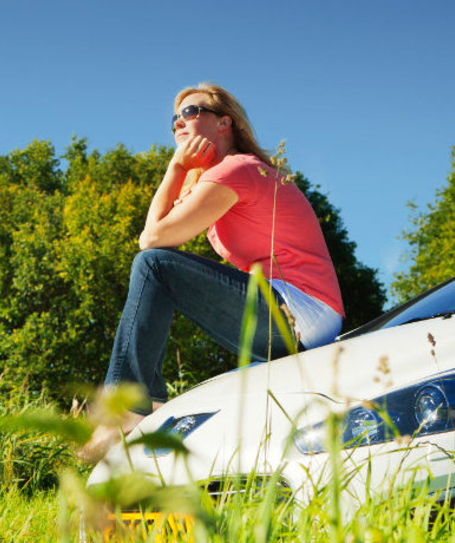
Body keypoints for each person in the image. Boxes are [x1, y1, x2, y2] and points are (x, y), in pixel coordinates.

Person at [85, 83, 345, 454]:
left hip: (299, 309)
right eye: (174, 118)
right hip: (293, 314)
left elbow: (152, 241)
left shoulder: (238, 169)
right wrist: (180, 170)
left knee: (154, 266)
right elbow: (157, 236)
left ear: (224, 122)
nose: (178, 122)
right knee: (157, 272)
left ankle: (126, 408)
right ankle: (151, 409)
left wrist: (176, 166)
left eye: (190, 112)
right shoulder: (225, 176)